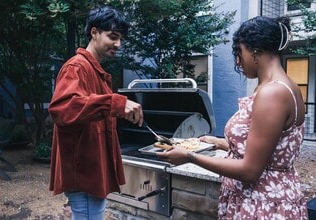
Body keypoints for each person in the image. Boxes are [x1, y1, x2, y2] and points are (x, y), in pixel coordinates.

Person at [157, 16, 308, 219]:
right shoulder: (285, 86)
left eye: (239, 52)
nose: (237, 61)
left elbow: (250, 170)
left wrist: (188, 156)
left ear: (255, 50)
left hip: (262, 204)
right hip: (266, 198)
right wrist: (220, 143)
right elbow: (271, 151)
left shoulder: (273, 93)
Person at [48, 6, 144, 220]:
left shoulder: (95, 70)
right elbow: (62, 109)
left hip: (92, 170)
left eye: (120, 39)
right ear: (94, 33)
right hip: (84, 173)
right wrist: (114, 103)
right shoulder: (77, 67)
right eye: (113, 36)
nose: (118, 44)